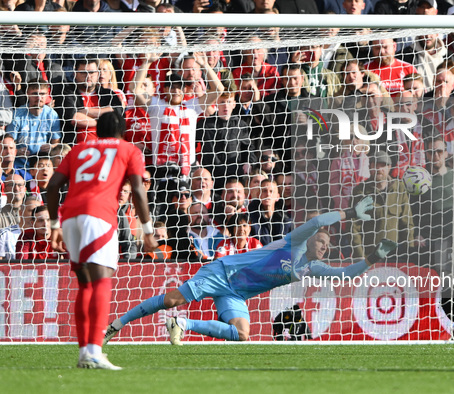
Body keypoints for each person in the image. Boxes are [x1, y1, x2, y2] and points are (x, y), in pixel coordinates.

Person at [103, 196, 397, 345]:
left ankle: (183, 325)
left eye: (326, 246)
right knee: (171, 300)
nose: (323, 247)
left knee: (243, 334)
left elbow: (345, 275)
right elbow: (318, 220)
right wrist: (349, 213)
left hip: (236, 293)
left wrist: (374, 257)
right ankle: (117, 324)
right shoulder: (293, 243)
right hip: (222, 273)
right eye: (321, 242)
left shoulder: (311, 268)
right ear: (311, 240)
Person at [46, 111, 157, 370]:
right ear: (123, 131)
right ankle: (95, 350)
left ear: (97, 130)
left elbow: (53, 186)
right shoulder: (129, 149)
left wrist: (54, 225)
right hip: (99, 216)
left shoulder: (79, 149)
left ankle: (86, 351)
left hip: (70, 217)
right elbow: (138, 190)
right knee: (102, 280)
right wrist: (148, 230)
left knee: (85, 284)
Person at [6, 78, 61, 170]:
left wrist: (51, 147)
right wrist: (17, 151)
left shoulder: (52, 115)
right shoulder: (17, 114)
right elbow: (9, 142)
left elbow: (56, 142)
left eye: (42, 94)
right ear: (27, 94)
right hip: (19, 165)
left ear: (47, 94)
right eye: (35, 93)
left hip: (42, 166)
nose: (39, 97)